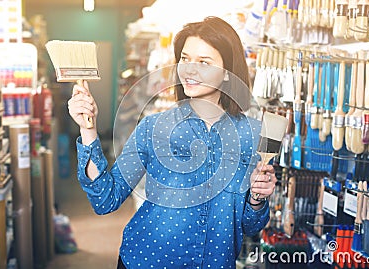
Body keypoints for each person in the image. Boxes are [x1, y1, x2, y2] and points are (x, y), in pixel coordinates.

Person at [68, 16, 276, 269]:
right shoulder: (154, 127)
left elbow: (249, 225)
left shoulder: (252, 136)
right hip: (146, 261)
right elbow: (105, 199)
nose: (190, 70)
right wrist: (87, 129)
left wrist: (257, 197)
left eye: (204, 62)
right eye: (185, 59)